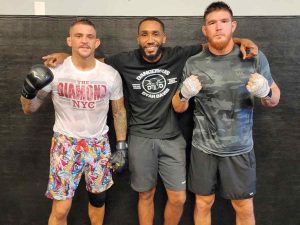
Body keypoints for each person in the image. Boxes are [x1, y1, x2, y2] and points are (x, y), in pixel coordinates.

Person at [43, 17, 258, 225]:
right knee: (145, 195)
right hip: (141, 137)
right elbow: (90, 60)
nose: (150, 39)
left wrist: (241, 41)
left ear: (164, 38)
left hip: (172, 138)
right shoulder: (124, 60)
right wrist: (66, 55)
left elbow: (213, 44)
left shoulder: (178, 55)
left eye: (155, 34)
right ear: (138, 39)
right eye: (144, 34)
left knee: (178, 198)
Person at [172, 2, 280, 225]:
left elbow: (275, 99)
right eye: (212, 23)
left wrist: (266, 91)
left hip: (240, 148)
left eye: (223, 22)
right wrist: (183, 94)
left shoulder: (253, 57)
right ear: (205, 30)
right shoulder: (193, 63)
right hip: (203, 148)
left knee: (243, 206)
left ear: (233, 25)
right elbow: (177, 106)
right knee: (203, 203)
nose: (218, 27)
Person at [20, 18, 127, 225]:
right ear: (69, 41)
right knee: (61, 208)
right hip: (65, 144)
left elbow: (119, 112)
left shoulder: (110, 75)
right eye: (78, 36)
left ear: (97, 42)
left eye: (89, 36)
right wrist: (28, 92)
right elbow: (28, 109)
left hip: (98, 144)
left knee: (98, 200)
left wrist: (121, 147)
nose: (84, 41)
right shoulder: (55, 71)